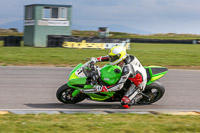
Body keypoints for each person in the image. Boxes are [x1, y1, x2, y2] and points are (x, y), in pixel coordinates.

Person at [82, 46, 147, 108]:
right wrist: (96, 59)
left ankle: (139, 96)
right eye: (112, 57)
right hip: (132, 75)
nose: (111, 59)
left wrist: (103, 89)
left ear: (119, 57)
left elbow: (119, 86)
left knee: (124, 103)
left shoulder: (127, 68)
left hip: (138, 83)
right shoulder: (125, 57)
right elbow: (109, 57)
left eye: (113, 57)